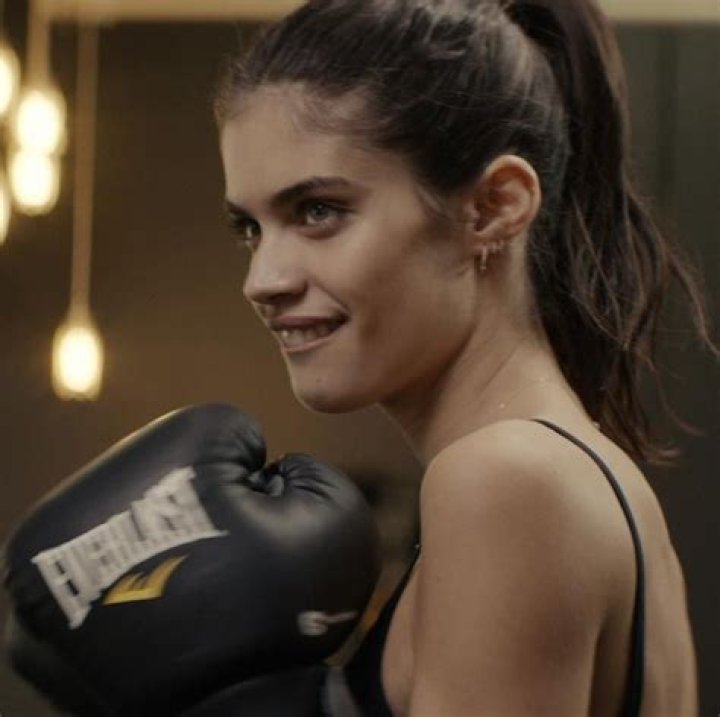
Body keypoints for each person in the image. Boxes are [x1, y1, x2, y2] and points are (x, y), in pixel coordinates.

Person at [214, 0, 712, 714]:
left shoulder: (505, 481)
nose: (262, 280)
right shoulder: (567, 472)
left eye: (318, 211)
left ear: (493, 207)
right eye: (249, 228)